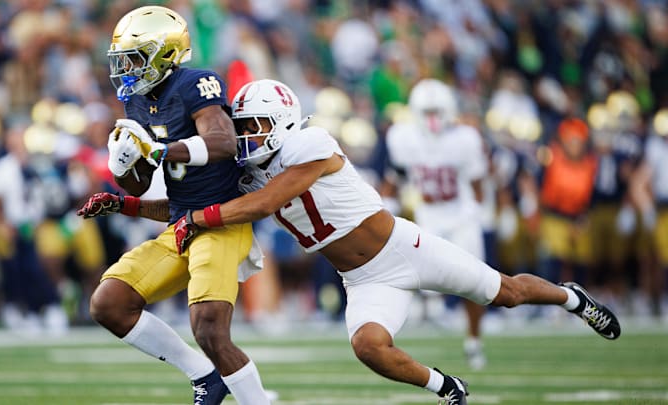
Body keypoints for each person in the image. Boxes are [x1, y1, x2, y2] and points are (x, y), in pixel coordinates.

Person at [80, 79, 622, 404]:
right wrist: (125, 203)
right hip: (361, 278)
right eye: (241, 124)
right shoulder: (246, 173)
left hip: (406, 248)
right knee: (368, 348)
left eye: (256, 123)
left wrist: (198, 220)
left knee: (505, 292)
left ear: (286, 122)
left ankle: (573, 298)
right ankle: (447, 387)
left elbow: (264, 206)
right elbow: (180, 210)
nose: (246, 134)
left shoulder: (310, 143)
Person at [77, 7, 271, 405]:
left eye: (134, 57)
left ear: (164, 54)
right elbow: (143, 180)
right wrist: (124, 169)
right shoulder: (135, 104)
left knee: (210, 328)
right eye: (122, 59)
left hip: (220, 221)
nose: (126, 68)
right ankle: (204, 375)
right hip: (182, 223)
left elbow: (222, 143)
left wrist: (159, 149)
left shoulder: (195, 83)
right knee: (109, 303)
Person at [380, 79, 490, 370]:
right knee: (420, 274)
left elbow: (478, 182)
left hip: (462, 215)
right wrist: (386, 204)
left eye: (436, 111)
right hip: (429, 214)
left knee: (478, 280)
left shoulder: (465, 138)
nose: (431, 119)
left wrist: (481, 211)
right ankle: (427, 309)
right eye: (426, 111)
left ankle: (473, 341)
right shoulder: (402, 137)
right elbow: (397, 175)